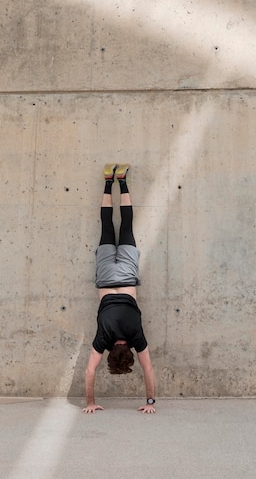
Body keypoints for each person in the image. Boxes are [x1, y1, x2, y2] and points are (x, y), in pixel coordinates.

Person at [82, 164, 156, 414]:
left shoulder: (137, 336)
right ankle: (107, 181)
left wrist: (150, 402)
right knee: (105, 225)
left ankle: (121, 180)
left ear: (129, 351)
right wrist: (90, 402)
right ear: (111, 352)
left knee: (126, 224)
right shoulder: (103, 338)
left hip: (126, 276)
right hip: (105, 278)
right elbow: (90, 370)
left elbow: (148, 369)